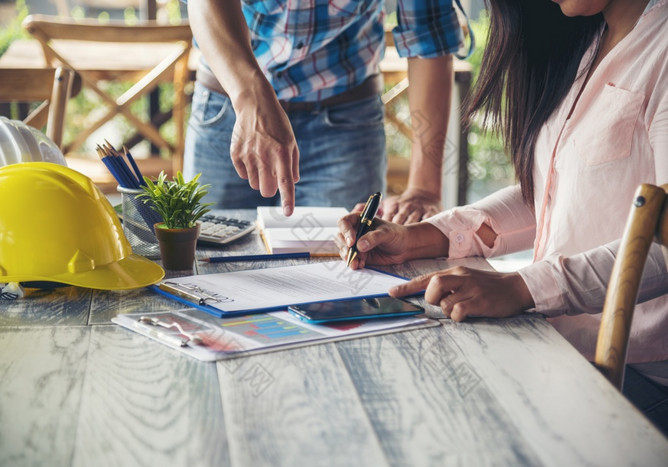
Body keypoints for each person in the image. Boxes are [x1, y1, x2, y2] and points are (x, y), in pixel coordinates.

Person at [337, 0, 668, 432]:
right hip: (561, 345)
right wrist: (418, 237)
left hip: (637, 377)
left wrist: (524, 286)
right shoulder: (590, 40)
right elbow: (550, 195)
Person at [184, 0, 466, 222]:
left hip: (345, 120)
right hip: (228, 106)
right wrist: (250, 98)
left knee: (345, 272)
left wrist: (425, 188)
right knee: (206, 264)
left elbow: (428, 31)